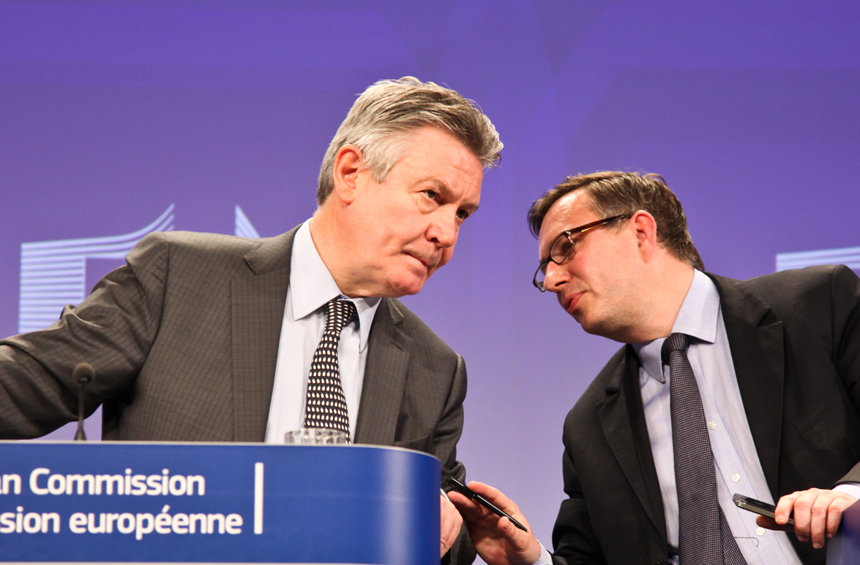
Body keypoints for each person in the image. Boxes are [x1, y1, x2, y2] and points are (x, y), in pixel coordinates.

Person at [0, 77, 503, 562]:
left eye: (462, 214)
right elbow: (21, 387)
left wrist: (440, 527)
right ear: (351, 173)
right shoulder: (180, 277)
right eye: (433, 196)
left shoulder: (435, 370)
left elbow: (447, 534)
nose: (446, 233)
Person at [451, 171, 860, 565]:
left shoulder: (818, 305)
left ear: (641, 233)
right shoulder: (589, 426)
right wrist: (531, 559)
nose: (554, 279)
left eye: (565, 247)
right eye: (546, 269)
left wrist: (851, 493)